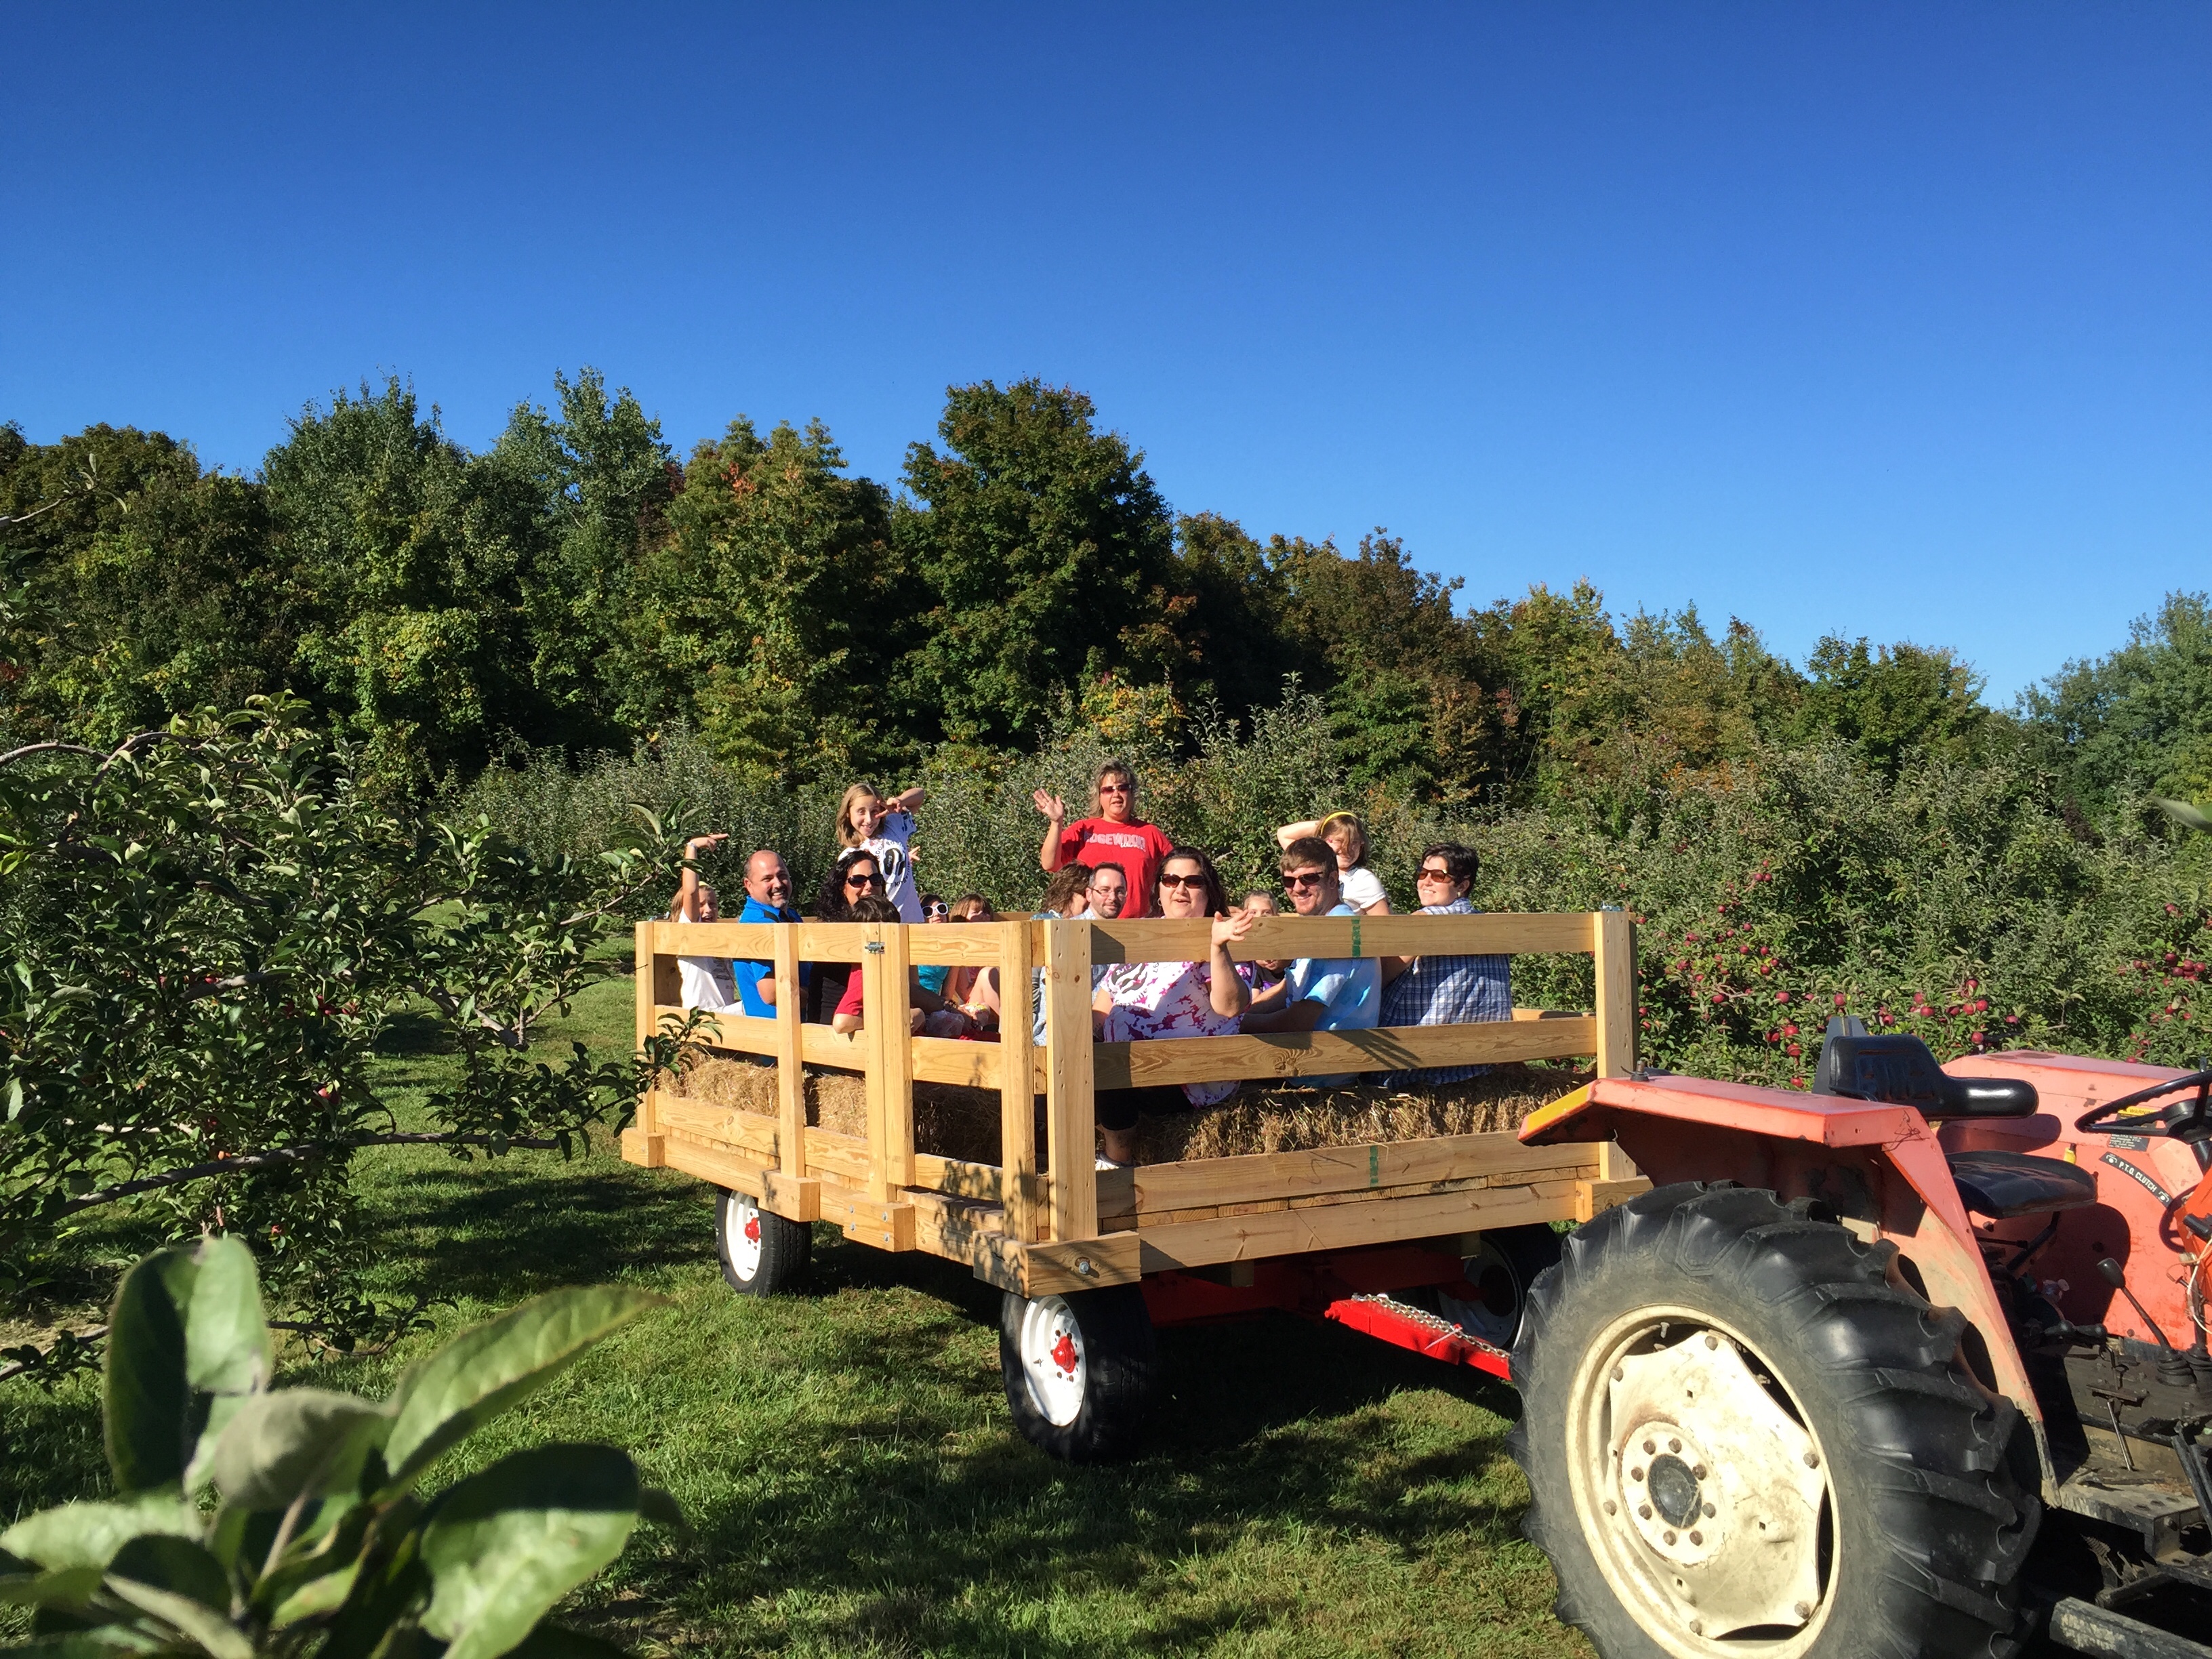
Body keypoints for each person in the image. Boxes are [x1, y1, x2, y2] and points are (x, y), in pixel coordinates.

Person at [1093, 848, 1254, 1168]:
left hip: (1187, 1075)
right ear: (1159, 889)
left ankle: (1117, 1160)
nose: (1180, 889)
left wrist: (1217, 947)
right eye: (1171, 879)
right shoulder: (1144, 935)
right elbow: (1106, 998)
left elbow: (1230, 1006)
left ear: (1209, 890)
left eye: (1193, 881)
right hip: (1127, 1065)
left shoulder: (1226, 933)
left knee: (1110, 1066)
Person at [1243, 836, 1379, 1085]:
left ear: (1332, 880)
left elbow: (1298, 1020)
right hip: (1308, 1057)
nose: (1297, 889)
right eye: (1289, 881)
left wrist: (1236, 1026)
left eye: (1309, 878)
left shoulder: (1338, 932)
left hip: (1321, 1069)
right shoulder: (1320, 926)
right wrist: (1234, 1017)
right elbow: (1285, 991)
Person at [1379, 842, 1510, 1088]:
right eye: (1422, 873)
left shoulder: (1425, 920)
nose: (1426, 882)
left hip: (1418, 1060)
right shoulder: (1491, 924)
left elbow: (1382, 976)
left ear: (1462, 885)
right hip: (1483, 1058)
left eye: (1438, 876)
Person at [1034, 760, 1175, 918]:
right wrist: (1056, 822)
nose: (1116, 794)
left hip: (1137, 928)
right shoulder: (1084, 829)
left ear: (1132, 793)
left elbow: (1175, 876)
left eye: (1122, 788)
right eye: (1108, 790)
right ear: (1099, 796)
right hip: (1091, 927)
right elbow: (1049, 864)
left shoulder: (1151, 833)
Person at [831, 894, 930, 1036]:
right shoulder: (866, 971)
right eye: (882, 938)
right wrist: (893, 1019)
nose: (891, 941)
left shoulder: (889, 963)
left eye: (896, 931)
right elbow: (842, 1022)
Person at [806, 848, 885, 1023]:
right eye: (858, 880)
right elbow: (870, 948)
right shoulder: (832, 930)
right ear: (841, 887)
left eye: (876, 879)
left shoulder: (884, 926)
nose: (869, 886)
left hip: (871, 1019)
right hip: (835, 1028)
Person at [729, 848, 806, 1017]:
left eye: (782, 875)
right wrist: (827, 998)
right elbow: (772, 993)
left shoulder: (789, 916)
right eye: (767, 879)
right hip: (777, 1034)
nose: (778, 884)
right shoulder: (758, 924)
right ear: (748, 885)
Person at [836, 783, 928, 923]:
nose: (869, 819)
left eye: (874, 811)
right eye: (861, 811)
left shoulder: (893, 825)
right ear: (848, 813)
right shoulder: (848, 855)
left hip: (913, 921)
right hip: (882, 926)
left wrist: (900, 801)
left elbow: (920, 794)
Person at [670, 833, 740, 1012]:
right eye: (701, 905)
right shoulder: (689, 930)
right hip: (702, 1015)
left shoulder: (720, 937)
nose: (708, 910)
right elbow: (691, 891)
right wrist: (692, 846)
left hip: (726, 1011)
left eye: (713, 905)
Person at [1275, 811, 1389, 914]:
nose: (1346, 849)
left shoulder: (1364, 880)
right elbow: (1283, 834)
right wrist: (1327, 823)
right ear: (1323, 839)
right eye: (1339, 841)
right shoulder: (1311, 864)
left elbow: (1383, 927)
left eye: (1354, 842)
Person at [1239, 890, 1286, 991]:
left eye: (1267, 913)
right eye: (1253, 912)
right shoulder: (1244, 945)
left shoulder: (1283, 938)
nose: (1259, 917)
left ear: (1275, 916)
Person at [915, 892, 955, 999]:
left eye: (941, 909)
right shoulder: (913, 944)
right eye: (928, 911)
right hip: (914, 1001)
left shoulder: (953, 948)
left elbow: (947, 995)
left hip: (936, 1004)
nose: (937, 914)